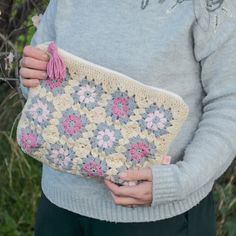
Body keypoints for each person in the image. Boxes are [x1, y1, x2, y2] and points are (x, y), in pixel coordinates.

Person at [19, 0, 236, 235]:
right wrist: (31, 75)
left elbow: (228, 102)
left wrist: (178, 181)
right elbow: (38, 81)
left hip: (158, 219)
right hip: (59, 208)